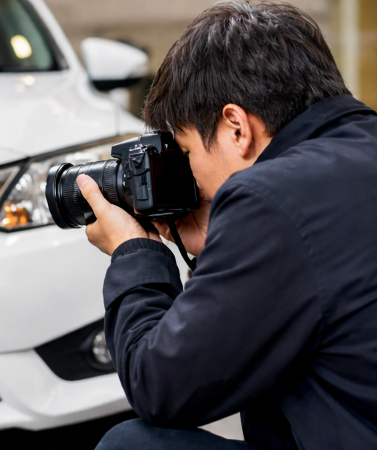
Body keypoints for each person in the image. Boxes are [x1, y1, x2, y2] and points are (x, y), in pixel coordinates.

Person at [75, 1, 377, 449]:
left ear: (236, 127)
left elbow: (160, 387)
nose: (191, 175)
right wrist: (214, 244)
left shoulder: (272, 197)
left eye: (187, 152)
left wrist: (134, 252)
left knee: (132, 445)